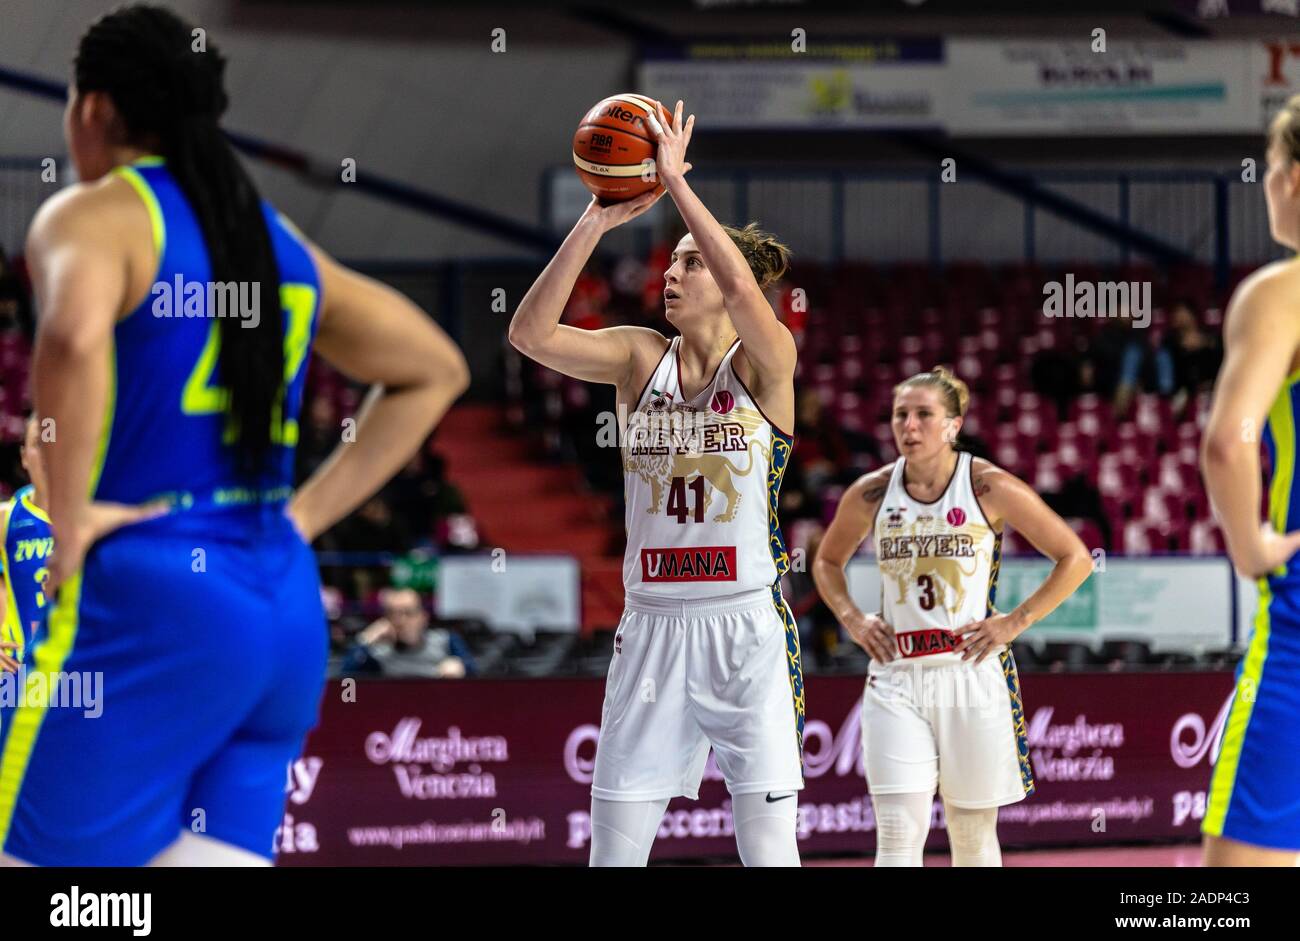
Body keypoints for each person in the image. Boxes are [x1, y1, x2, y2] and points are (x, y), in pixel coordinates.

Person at [1, 5, 467, 867]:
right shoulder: (274, 240)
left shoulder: (97, 214)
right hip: (280, 609)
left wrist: (68, 519)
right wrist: (299, 520)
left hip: (152, 598)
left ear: (93, 108)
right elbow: (435, 368)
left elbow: (69, 337)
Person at [509, 100, 804, 866]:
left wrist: (674, 183)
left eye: (689, 261)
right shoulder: (642, 358)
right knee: (614, 852)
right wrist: (597, 222)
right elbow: (530, 334)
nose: (670, 271)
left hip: (743, 625)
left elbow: (745, 292)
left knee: (770, 849)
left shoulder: (767, 365)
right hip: (651, 626)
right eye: (669, 261)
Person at [812, 366, 1092, 866]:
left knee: (971, 834)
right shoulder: (872, 492)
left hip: (970, 671)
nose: (910, 426)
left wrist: (1014, 622)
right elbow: (826, 561)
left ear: (954, 424)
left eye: (924, 415)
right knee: (897, 835)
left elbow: (1075, 557)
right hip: (896, 677)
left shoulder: (988, 486)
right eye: (901, 415)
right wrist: (853, 618)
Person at [1199, 93, 1300, 867]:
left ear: (1294, 179)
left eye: (1267, 168)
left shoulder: (1281, 294)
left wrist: (1254, 547)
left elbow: (1228, 444)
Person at [351, 587, 474, 678]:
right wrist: (364, 640)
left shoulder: (445, 641)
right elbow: (346, 684)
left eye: (409, 613)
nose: (400, 620)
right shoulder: (377, 653)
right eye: (392, 613)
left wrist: (463, 668)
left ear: (423, 617)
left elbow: (476, 674)